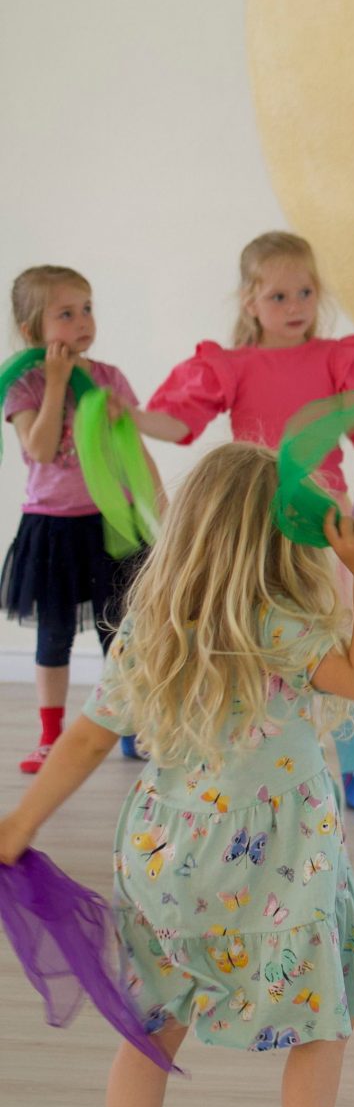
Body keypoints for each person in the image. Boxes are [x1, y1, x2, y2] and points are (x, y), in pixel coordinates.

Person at [0, 443, 354, 1107]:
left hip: (164, 861)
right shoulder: (281, 625)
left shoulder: (152, 628)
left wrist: (19, 824)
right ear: (282, 538)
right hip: (282, 864)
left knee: (149, 1026)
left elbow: (82, 741)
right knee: (322, 1020)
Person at [134, 230, 354, 817]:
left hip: (324, 528)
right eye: (279, 296)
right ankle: (266, 765)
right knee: (261, 642)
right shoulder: (230, 365)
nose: (296, 307)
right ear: (249, 301)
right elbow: (176, 421)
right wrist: (128, 417)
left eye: (306, 292)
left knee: (341, 640)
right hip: (253, 528)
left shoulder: (338, 359)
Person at [4, 265, 152, 771]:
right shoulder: (24, 387)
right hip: (53, 528)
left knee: (123, 631)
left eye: (87, 308)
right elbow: (41, 450)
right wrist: (57, 384)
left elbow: (135, 448)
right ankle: (50, 736)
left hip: (113, 523)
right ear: (31, 330)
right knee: (55, 633)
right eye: (65, 313)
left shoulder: (109, 379)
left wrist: (163, 513)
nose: (83, 321)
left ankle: (133, 723)